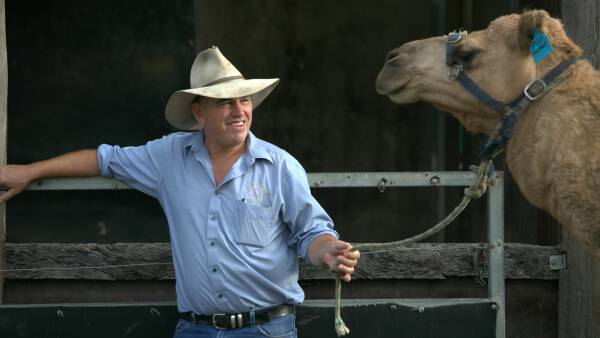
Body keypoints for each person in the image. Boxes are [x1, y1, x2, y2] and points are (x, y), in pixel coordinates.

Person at [0, 46, 360, 338]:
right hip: (195, 329)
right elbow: (103, 159)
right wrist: (31, 171)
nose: (239, 111)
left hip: (267, 329)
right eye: (225, 102)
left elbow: (311, 232)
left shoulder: (280, 166)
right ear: (199, 112)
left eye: (244, 100)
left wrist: (329, 251)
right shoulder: (168, 157)